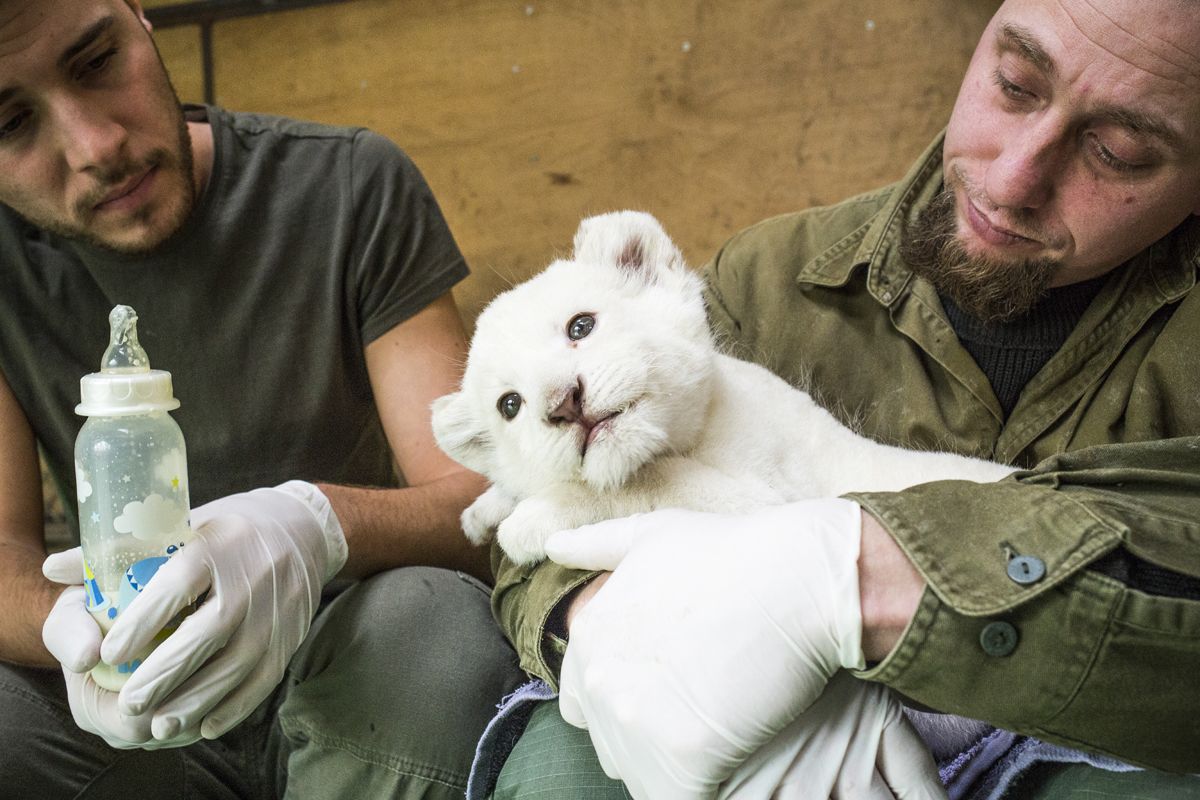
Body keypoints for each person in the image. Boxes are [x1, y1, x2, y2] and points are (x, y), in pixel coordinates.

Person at [483, 0, 1200, 797]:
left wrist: (863, 580)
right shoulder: (767, 280)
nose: (1011, 181)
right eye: (1015, 84)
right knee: (562, 768)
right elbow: (529, 541)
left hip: (1092, 736)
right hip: (764, 723)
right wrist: (609, 620)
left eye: (1118, 152)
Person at [0, 1, 525, 797]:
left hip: (355, 681)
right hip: (133, 711)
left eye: (97, 60)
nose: (96, 147)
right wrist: (70, 623)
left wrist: (317, 524)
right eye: (10, 123)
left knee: (435, 634)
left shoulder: (349, 186)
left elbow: (481, 501)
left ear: (140, 14)